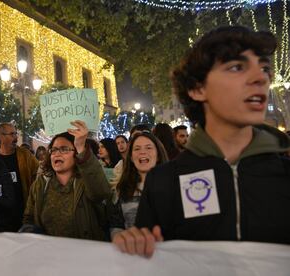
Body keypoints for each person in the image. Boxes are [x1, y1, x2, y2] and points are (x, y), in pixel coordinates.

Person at [113, 26, 290, 257]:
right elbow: (151, 263)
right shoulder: (163, 182)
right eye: (237, 67)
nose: (260, 78)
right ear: (197, 89)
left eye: (265, 68)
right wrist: (134, 246)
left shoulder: (285, 175)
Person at [21, 120, 111, 241]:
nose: (57, 154)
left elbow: (101, 193)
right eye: (53, 150)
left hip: (84, 253)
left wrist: (80, 146)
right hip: (48, 253)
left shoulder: (87, 181)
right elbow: (29, 217)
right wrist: (29, 231)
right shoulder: (40, 184)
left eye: (64, 149)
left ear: (76, 154)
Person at [108, 132, 168, 240]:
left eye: (148, 148)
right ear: (131, 157)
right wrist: (119, 238)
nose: (143, 152)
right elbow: (116, 224)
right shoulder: (122, 189)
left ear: (158, 155)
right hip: (132, 253)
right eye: (137, 149)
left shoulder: (172, 187)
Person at [0, 122, 39, 219]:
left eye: (16, 134)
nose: (16, 138)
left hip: (22, 212)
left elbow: (38, 174)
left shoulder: (26, 155)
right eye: (12, 134)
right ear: (1, 137)